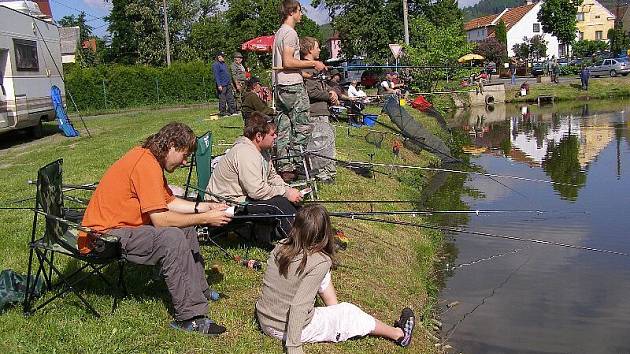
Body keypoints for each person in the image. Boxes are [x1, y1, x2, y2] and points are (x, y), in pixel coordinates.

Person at [80, 122, 231, 335]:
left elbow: (168, 202)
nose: (185, 161)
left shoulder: (149, 159)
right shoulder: (145, 164)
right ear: (171, 145)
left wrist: (203, 207)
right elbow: (161, 220)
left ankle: (199, 289)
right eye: (185, 155)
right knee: (171, 238)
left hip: (122, 228)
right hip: (103, 238)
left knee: (185, 228)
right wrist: (205, 218)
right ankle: (190, 317)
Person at [256, 204, 416, 354]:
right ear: (325, 231)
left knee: (324, 275)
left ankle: (335, 313)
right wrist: (294, 347)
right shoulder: (320, 261)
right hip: (282, 329)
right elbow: (299, 305)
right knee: (350, 313)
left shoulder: (281, 245)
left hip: (264, 318)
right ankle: (399, 334)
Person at [206, 112, 303, 243]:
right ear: (258, 136)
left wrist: (288, 189)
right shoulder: (245, 152)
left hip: (244, 199)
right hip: (226, 205)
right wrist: (285, 193)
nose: (276, 137)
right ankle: (298, 242)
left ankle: (308, 231)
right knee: (279, 204)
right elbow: (257, 191)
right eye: (272, 134)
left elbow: (272, 176)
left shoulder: (263, 152)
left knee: (291, 203)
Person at [273, 0, 327, 182]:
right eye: (300, 10)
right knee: (304, 127)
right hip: (292, 88)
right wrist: (314, 63)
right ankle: (295, 163)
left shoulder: (279, 32)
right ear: (292, 11)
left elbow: (283, 65)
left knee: (283, 129)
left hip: (281, 86)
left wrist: (304, 74)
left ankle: (284, 169)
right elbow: (288, 62)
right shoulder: (290, 33)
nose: (301, 14)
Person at [300, 36, 337, 183]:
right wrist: (329, 95)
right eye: (317, 47)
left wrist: (333, 92)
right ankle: (321, 174)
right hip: (315, 113)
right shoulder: (306, 67)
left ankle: (328, 172)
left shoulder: (314, 68)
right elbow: (311, 92)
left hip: (322, 112)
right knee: (318, 145)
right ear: (310, 50)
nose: (320, 49)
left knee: (326, 144)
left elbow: (323, 86)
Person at [212, 51, 237, 117]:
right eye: (222, 56)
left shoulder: (224, 64)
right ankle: (223, 112)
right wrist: (219, 85)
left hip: (228, 83)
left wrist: (231, 83)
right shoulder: (215, 65)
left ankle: (232, 111)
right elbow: (216, 75)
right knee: (223, 99)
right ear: (219, 57)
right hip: (222, 85)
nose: (224, 57)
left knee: (230, 98)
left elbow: (227, 74)